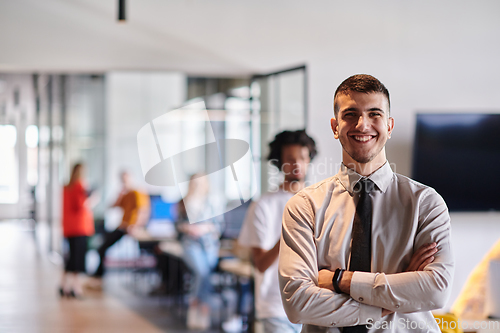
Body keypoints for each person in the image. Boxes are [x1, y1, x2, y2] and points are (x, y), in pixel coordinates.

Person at [278, 74, 454, 332]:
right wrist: (391, 297)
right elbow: (297, 302)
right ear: (334, 126)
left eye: (375, 114)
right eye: (350, 114)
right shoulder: (304, 206)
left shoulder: (425, 203)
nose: (362, 125)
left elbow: (436, 291)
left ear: (390, 126)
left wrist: (340, 280)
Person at [238, 130, 317, 333]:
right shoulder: (264, 205)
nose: (297, 164)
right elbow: (261, 264)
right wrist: (288, 234)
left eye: (302, 157)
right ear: (279, 162)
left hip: (315, 304)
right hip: (276, 307)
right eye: (290, 159)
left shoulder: (320, 201)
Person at [176, 173, 221, 331]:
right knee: (202, 272)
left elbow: (218, 226)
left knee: (204, 273)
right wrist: (189, 228)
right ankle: (203, 307)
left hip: (209, 245)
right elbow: (177, 226)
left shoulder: (212, 202)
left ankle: (196, 304)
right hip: (190, 244)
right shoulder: (183, 202)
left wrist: (204, 228)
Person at [91, 170, 150, 282]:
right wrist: (119, 194)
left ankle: (99, 274)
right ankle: (99, 273)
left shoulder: (138, 192)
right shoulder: (125, 195)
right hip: (122, 226)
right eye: (122, 181)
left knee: (103, 247)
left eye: (126, 180)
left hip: (130, 228)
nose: (124, 182)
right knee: (102, 246)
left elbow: (143, 211)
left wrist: (135, 226)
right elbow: (111, 206)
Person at [60, 163, 97, 298]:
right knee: (78, 260)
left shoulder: (66, 187)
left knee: (72, 258)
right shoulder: (80, 186)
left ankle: (64, 285)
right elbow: (82, 206)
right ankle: (76, 287)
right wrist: (93, 199)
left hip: (69, 227)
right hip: (80, 227)